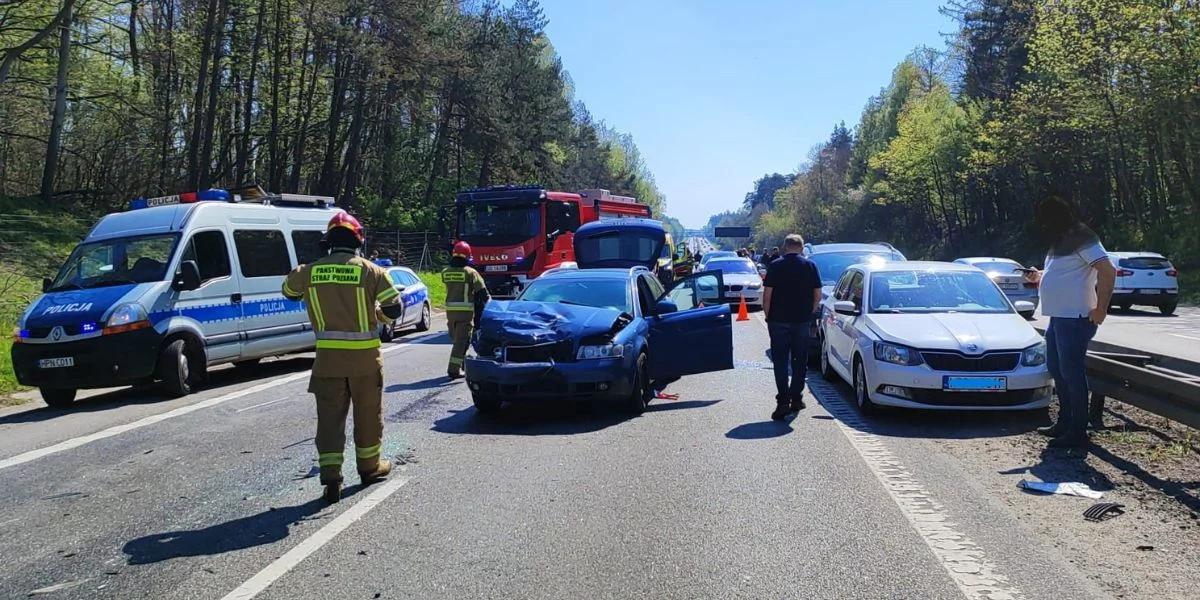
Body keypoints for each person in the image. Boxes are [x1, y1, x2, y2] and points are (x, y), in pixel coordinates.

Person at [282, 213, 403, 503]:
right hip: (365, 362)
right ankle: (370, 467)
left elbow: (288, 291)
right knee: (367, 416)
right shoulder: (372, 271)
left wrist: (313, 273)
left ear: (329, 241)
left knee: (329, 420)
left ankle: (332, 478)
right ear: (358, 240)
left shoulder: (309, 272)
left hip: (328, 361)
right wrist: (379, 316)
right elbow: (395, 307)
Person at [1023, 197, 1116, 449]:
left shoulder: (1082, 236)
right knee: (1057, 368)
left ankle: (1078, 430)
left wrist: (1101, 309)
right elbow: (1065, 274)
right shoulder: (1060, 240)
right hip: (1058, 318)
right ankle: (1064, 422)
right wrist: (1039, 275)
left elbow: (1108, 271)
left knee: (1072, 373)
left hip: (1075, 318)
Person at [762, 234, 823, 421]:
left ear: (785, 247)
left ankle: (782, 402)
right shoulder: (810, 266)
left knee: (780, 361)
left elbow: (767, 295)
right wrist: (809, 313)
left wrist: (768, 316)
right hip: (801, 321)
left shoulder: (775, 266)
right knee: (800, 361)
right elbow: (818, 295)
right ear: (802, 248)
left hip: (778, 321)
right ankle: (796, 398)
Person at [442, 241, 490, 379]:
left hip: (450, 312)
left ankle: (463, 365)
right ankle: (454, 369)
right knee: (462, 341)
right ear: (467, 255)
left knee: (457, 338)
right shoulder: (471, 272)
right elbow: (482, 293)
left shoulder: (445, 272)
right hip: (466, 312)